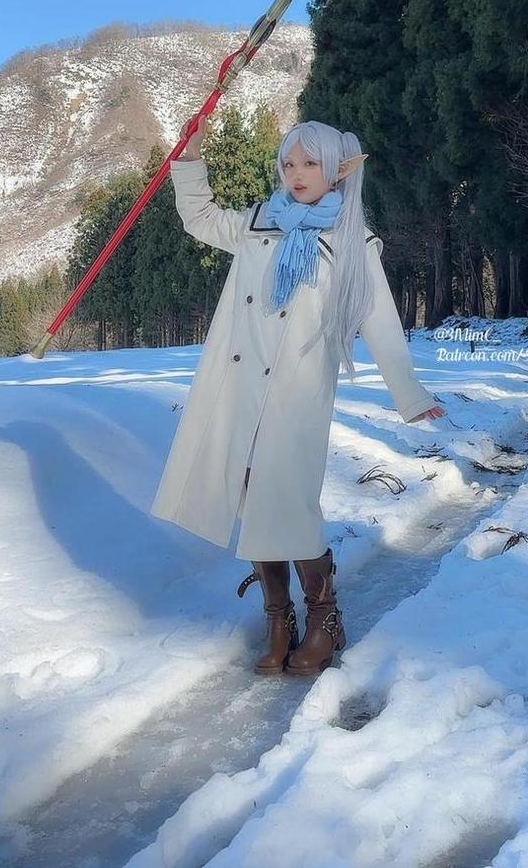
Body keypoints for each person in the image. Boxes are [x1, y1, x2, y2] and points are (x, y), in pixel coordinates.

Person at [149, 115, 445, 676]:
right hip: (239, 386)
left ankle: (325, 619)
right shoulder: (260, 221)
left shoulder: (353, 239)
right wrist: (187, 162)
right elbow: (201, 218)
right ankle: (279, 619)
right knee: (252, 503)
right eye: (289, 163)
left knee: (290, 503)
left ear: (336, 170)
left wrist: (406, 390)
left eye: (310, 163)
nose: (298, 173)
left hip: (298, 392)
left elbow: (378, 320)